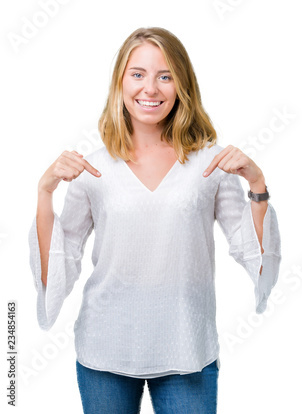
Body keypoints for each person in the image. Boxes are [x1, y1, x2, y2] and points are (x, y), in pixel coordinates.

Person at [30, 27, 280, 413]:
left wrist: (258, 185)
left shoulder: (210, 164)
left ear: (181, 85)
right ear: (120, 82)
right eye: (138, 74)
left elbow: (256, 257)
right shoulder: (92, 169)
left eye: (165, 76)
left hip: (187, 349)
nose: (151, 88)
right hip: (106, 349)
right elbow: (57, 269)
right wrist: (44, 193)